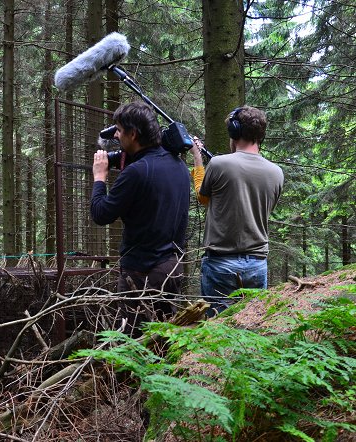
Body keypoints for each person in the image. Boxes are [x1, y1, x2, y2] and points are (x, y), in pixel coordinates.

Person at [91, 101, 190, 333]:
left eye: (119, 130)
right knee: (162, 339)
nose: (116, 135)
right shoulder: (178, 166)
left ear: (133, 134)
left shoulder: (138, 172)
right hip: (172, 268)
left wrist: (99, 177)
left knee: (132, 342)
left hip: (142, 273)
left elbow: (100, 213)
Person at [190, 105, 284, 317]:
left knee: (218, 332)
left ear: (234, 131)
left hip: (221, 262)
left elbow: (203, 197)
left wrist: (197, 158)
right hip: (257, 263)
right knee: (251, 327)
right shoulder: (276, 173)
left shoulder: (218, 164)